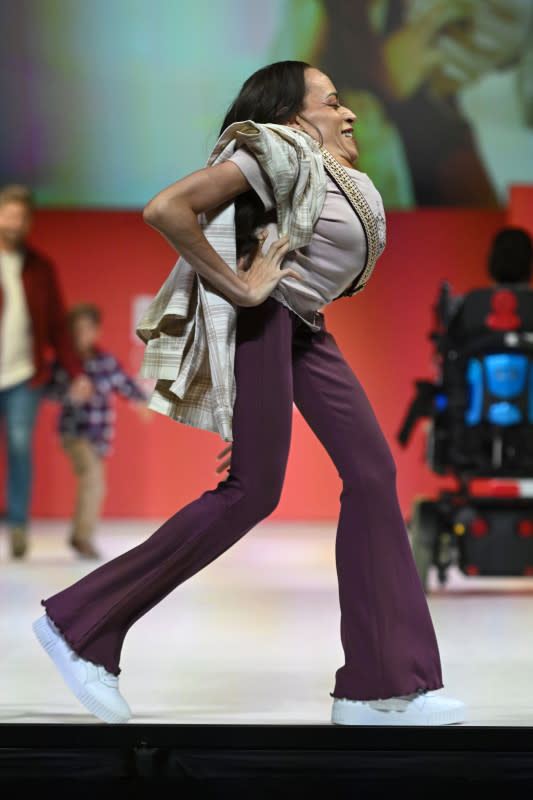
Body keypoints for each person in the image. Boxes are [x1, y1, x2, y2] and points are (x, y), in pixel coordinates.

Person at [32, 61, 465, 726]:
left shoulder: (319, 169)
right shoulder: (275, 150)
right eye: (332, 101)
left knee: (373, 474)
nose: (348, 113)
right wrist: (238, 288)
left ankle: (378, 686)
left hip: (303, 330)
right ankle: (83, 626)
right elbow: (167, 207)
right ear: (293, 117)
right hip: (269, 320)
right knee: (253, 491)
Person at [0, 184, 92, 559]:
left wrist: (76, 373)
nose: (13, 221)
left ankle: (18, 525)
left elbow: (57, 325)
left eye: (20, 216)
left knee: (20, 447)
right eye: (8, 213)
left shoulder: (40, 268)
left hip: (25, 374)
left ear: (28, 222)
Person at [46, 303, 150, 560]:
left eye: (86, 329)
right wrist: (70, 394)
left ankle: (81, 536)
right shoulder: (66, 364)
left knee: (95, 483)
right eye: (76, 329)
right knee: (93, 480)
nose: (81, 335)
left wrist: (143, 402)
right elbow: (49, 391)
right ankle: (82, 538)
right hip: (75, 434)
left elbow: (125, 383)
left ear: (96, 331)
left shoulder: (106, 362)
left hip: (99, 437)